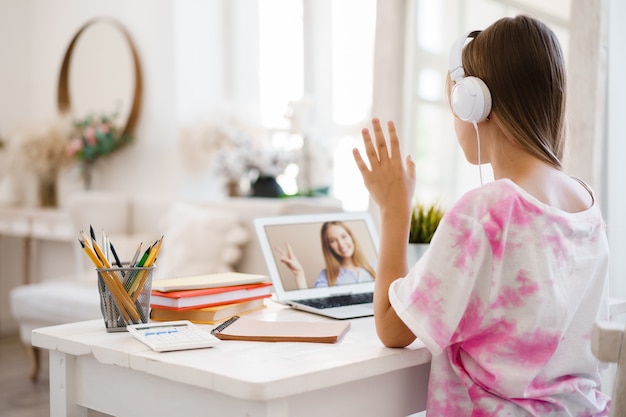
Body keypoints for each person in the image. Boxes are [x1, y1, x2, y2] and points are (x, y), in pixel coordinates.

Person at [352, 15, 610, 416]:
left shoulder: (489, 210)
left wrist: (394, 208)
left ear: (476, 103)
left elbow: (391, 327)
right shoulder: (586, 204)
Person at [274, 221, 376, 289]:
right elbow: (313, 303)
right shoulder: (326, 276)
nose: (341, 244)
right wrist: (298, 273)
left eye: (344, 237)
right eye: (333, 241)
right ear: (328, 246)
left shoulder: (375, 267)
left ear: (351, 237)